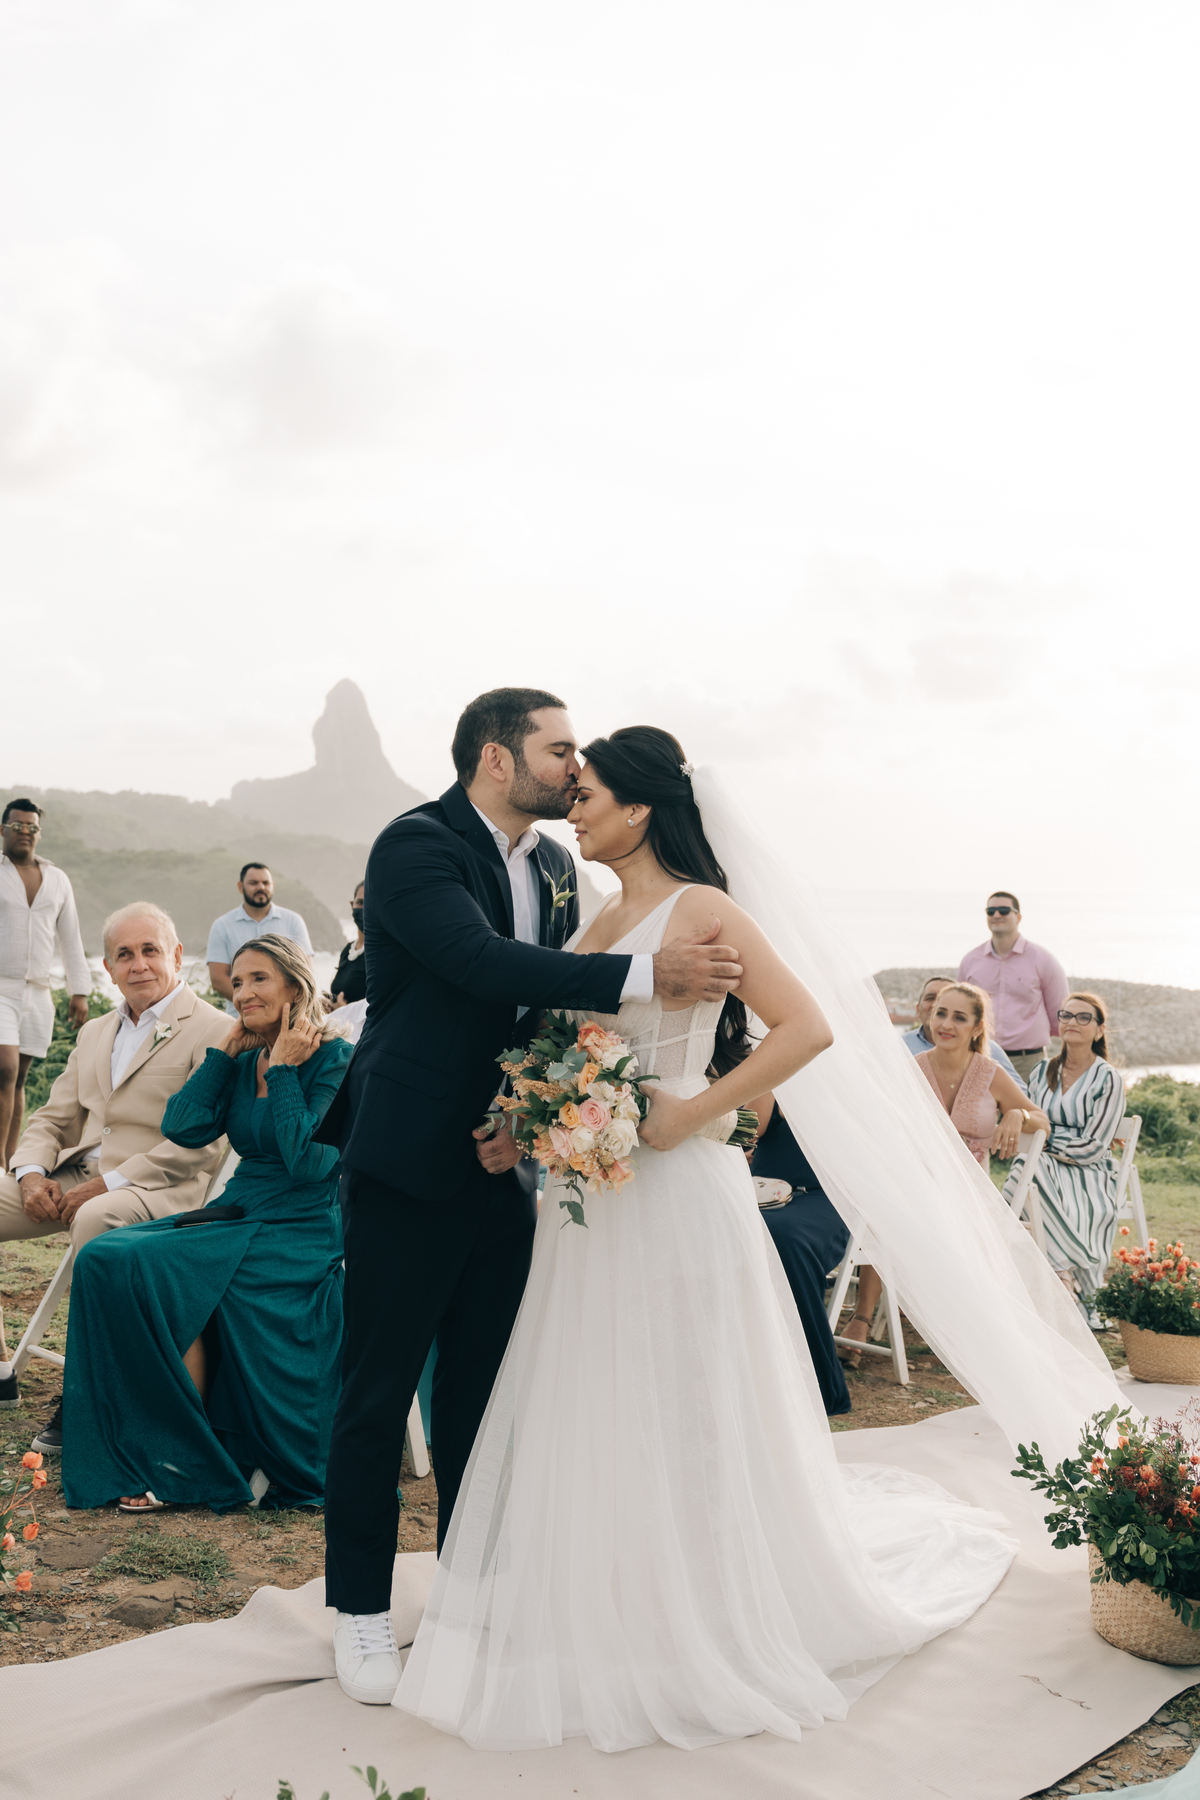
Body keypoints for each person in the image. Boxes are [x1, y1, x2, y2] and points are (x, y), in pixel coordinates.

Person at [393, 728, 1024, 1752]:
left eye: (588, 792)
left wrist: (698, 1112)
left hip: (679, 1182)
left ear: (640, 809)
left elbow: (807, 1028)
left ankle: (702, 1604)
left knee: (685, 1386)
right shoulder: (603, 916)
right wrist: (533, 1117)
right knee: (593, 1384)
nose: (574, 805)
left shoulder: (704, 908)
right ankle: (603, 1591)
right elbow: (564, 1039)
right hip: (590, 1198)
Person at [320, 687, 745, 1706]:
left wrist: (529, 1113)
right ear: (499, 761)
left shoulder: (557, 867)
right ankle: (363, 1615)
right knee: (377, 1394)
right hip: (408, 1158)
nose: (574, 765)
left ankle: (469, 1599)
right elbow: (475, 964)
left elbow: (536, 1014)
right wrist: (650, 973)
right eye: (558, 749)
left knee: (482, 1392)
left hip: (510, 1163)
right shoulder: (414, 846)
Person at [60, 934, 351, 1513]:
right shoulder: (246, 1058)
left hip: (298, 1227)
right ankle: (157, 1447)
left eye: (259, 980)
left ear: (297, 985)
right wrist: (223, 1054)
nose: (242, 993)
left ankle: (182, 1466)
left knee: (146, 1266)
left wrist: (289, 1070)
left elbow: (309, 1160)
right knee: (105, 1256)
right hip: (238, 1211)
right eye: (236, 982)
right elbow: (186, 1125)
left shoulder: (334, 1059)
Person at [0, 904, 231, 1429]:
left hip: (156, 1186)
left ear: (176, 955)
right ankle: (0, 1370)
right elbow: (50, 1119)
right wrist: (31, 1173)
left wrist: (107, 1184)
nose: (139, 964)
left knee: (94, 1218)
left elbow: (201, 1146)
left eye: (150, 950)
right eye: (124, 954)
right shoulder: (95, 1032)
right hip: (76, 1177)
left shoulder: (216, 1030)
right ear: (108, 968)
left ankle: (84, 1392)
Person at [1001, 992, 1126, 1329]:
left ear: (1099, 1030)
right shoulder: (1042, 1071)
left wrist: (1044, 1139)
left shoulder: (1108, 1079)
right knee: (1027, 1172)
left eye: (1084, 1017)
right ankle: (1063, 1278)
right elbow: (1029, 1121)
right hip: (1044, 1166)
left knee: (1022, 1177)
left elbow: (1093, 1147)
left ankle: (1053, 1280)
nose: (1073, 1022)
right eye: (1067, 1015)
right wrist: (1034, 1132)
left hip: (1091, 1171)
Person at [0, 799, 91, 1171]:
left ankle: (9, 1161)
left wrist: (79, 990)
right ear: (3, 829)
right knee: (3, 1070)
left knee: (18, 1078)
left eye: (32, 827)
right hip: (0, 987)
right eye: (18, 825)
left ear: (39, 832)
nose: (25, 832)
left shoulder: (57, 878)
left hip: (38, 991)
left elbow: (70, 938)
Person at [747, 1089, 851, 1414]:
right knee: (724, 1224)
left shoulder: (854, 1074)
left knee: (783, 1237)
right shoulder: (776, 1061)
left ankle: (818, 1384)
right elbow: (751, 1129)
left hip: (826, 1196)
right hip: (763, 1187)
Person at [915, 982, 1048, 1170]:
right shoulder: (911, 1071)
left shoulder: (991, 1074)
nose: (946, 1024)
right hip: (915, 1189)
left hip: (974, 1195)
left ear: (977, 1028)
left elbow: (1043, 1123)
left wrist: (1020, 1115)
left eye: (959, 1018)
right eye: (941, 1014)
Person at [957, 892, 1068, 1083]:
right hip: (981, 1056)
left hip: (1028, 1062)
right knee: (981, 1113)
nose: (996, 915)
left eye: (1004, 910)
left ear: (1018, 917)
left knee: (1027, 1113)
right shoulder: (970, 961)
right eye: (991, 911)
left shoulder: (1043, 960)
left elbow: (1060, 1014)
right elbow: (959, 1008)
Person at [206, 862, 312, 1014]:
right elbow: (218, 979)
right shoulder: (222, 925)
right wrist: (250, 1003)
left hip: (286, 1017)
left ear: (273, 886)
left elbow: (305, 971)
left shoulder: (293, 921)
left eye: (265, 883)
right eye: (253, 883)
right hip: (239, 1018)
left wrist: (273, 1006)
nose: (261, 887)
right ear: (240, 887)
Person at [902, 975, 1028, 1093]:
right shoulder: (899, 1046)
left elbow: (1022, 1094)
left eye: (959, 1017)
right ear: (918, 1010)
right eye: (930, 998)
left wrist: (1016, 1114)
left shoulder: (990, 1050)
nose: (936, 1003)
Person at [327, 880, 366, 1008]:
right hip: (340, 1025)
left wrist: (344, 1010)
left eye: (370, 903)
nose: (364, 909)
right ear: (352, 905)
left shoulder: (382, 953)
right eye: (360, 903)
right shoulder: (348, 950)